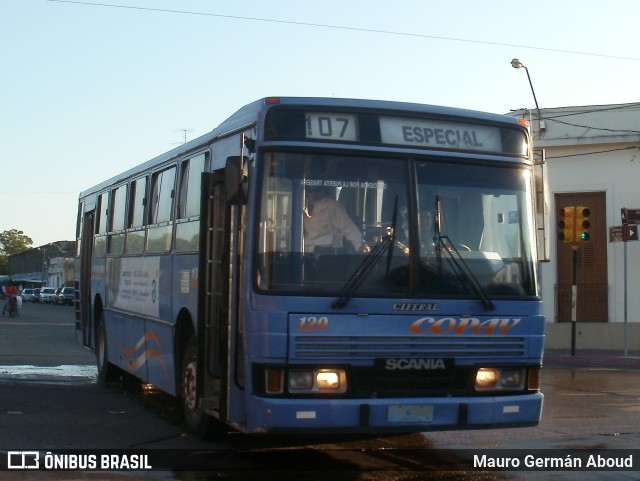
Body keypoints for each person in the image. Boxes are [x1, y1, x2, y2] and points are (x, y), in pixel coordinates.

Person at [303, 186, 370, 255]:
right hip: (308, 253)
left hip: (326, 254)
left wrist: (360, 245)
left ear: (324, 190)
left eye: (317, 190)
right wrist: (306, 218)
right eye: (310, 191)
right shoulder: (315, 207)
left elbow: (348, 227)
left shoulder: (333, 206)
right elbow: (317, 226)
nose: (313, 194)